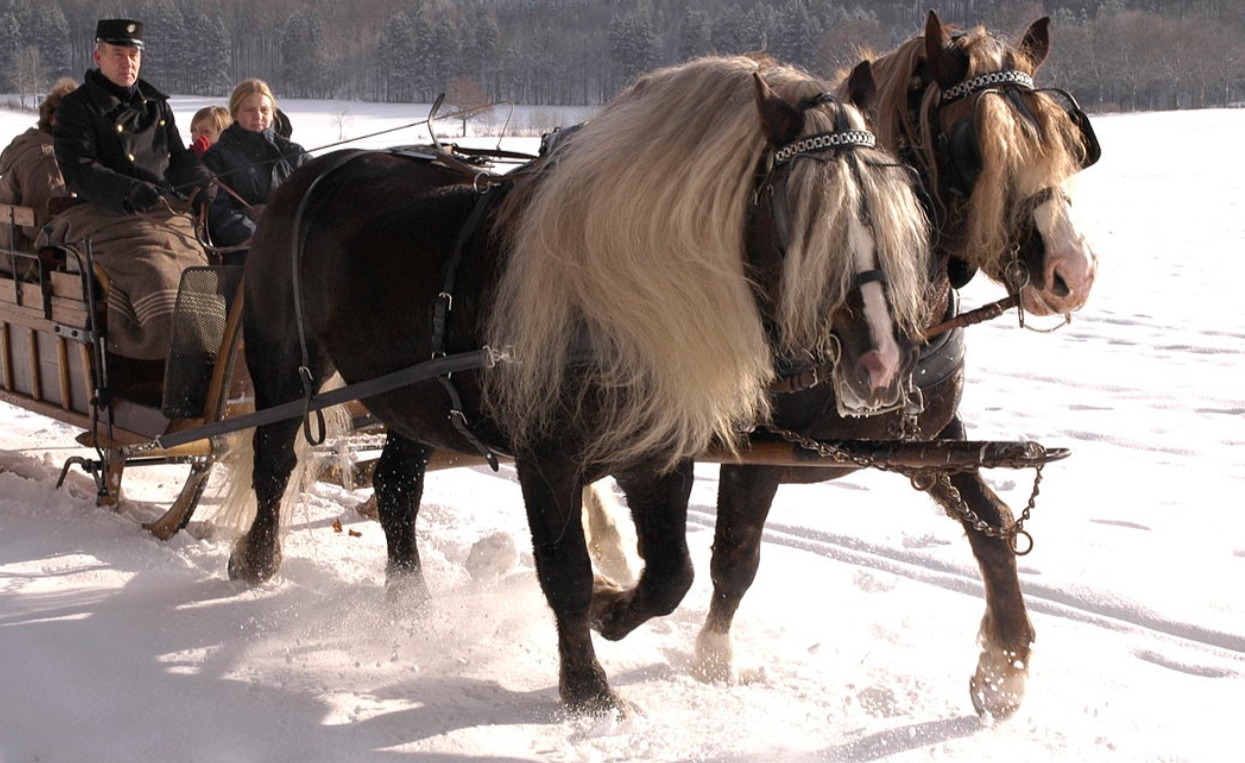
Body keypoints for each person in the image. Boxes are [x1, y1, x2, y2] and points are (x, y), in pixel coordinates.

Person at [49, 19, 216, 361]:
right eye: (118, 54)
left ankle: (209, 353)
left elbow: (179, 158)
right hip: (105, 215)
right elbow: (79, 170)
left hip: (164, 216)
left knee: (202, 274)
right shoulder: (77, 107)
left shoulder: (156, 105)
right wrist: (127, 191)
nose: (128, 62)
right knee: (156, 271)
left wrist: (203, 179)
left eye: (133, 55)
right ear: (98, 56)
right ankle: (165, 358)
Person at [202, 78, 308, 259]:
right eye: (249, 109)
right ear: (235, 113)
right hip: (244, 250)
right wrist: (257, 236)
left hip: (293, 242)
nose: (258, 116)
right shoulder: (217, 156)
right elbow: (217, 211)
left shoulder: (293, 153)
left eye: (264, 110)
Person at [0, 77, 76, 265]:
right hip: (24, 255)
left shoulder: (31, 144)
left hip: (10, 249)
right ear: (53, 119)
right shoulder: (46, 159)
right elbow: (45, 228)